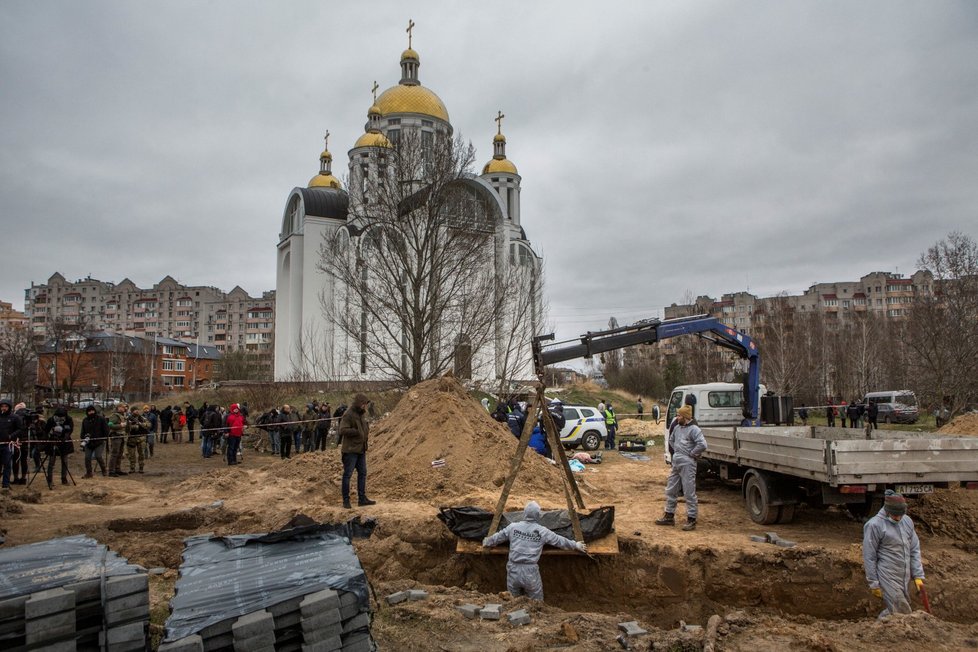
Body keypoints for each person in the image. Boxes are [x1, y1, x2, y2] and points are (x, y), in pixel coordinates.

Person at [481, 500, 587, 600]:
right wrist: (575, 545)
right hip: (529, 572)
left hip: (513, 569)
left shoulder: (513, 527)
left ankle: (516, 618)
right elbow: (559, 541)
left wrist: (487, 541)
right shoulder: (542, 531)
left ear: (524, 513)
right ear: (538, 515)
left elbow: (498, 537)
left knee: (513, 602)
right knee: (536, 603)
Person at [863, 490, 925, 618]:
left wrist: (918, 575)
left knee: (896, 610)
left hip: (904, 575)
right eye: (895, 515)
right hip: (887, 574)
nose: (898, 518)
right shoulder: (874, 525)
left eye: (900, 515)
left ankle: (881, 629)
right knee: (901, 610)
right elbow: (869, 556)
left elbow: (914, 549)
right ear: (887, 510)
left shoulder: (907, 522)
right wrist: (873, 582)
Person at [656, 405, 707, 531]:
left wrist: (692, 453)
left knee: (689, 492)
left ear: (685, 417)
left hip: (688, 464)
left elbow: (702, 444)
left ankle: (691, 519)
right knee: (671, 489)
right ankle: (669, 516)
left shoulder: (694, 429)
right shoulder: (678, 428)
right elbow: (672, 440)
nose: (677, 417)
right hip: (676, 463)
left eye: (679, 415)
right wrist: (678, 452)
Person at [338, 394, 374, 508]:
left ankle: (362, 499)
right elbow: (342, 430)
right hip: (350, 450)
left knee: (362, 473)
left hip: (361, 449)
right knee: (348, 475)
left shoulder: (361, 414)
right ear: (359, 403)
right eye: (364, 404)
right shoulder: (348, 414)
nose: (365, 406)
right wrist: (356, 432)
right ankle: (346, 500)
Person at [42, 406, 75, 488]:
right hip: (53, 442)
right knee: (51, 462)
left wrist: (65, 437)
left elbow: (70, 430)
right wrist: (48, 439)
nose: (60, 418)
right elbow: (46, 430)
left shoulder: (68, 419)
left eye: (62, 416)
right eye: (58, 416)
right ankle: (50, 480)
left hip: (64, 443)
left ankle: (64, 478)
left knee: (64, 461)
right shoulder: (51, 420)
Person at [0, 399, 24, 490]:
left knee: (7, 465)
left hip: (8, 445)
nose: (4, 408)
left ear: (9, 407)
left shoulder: (15, 417)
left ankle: (5, 485)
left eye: (5, 406)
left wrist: (11, 436)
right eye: (2, 406)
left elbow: (20, 429)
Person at [80, 405, 109, 478]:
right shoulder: (85, 420)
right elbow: (82, 432)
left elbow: (106, 430)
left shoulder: (101, 419)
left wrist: (103, 438)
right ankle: (89, 473)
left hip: (99, 442)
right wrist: (84, 437)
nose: (91, 412)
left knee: (98, 456)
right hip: (88, 442)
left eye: (92, 410)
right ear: (87, 412)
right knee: (87, 458)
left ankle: (104, 470)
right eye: (89, 411)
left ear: (95, 411)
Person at [106, 403, 130, 477]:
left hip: (122, 436)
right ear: (118, 408)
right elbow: (110, 425)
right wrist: (120, 425)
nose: (124, 408)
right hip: (116, 436)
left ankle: (117, 469)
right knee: (114, 454)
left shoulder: (124, 416)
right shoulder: (115, 415)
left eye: (124, 407)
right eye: (122, 407)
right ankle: (111, 471)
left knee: (120, 454)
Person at [126, 405, 150, 474]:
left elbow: (148, 425)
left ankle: (141, 468)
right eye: (135, 410)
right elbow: (126, 429)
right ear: (132, 411)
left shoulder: (142, 418)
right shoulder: (128, 418)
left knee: (141, 454)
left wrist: (140, 424)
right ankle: (132, 468)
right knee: (131, 455)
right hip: (132, 438)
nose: (137, 411)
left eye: (137, 410)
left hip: (141, 438)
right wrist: (133, 426)